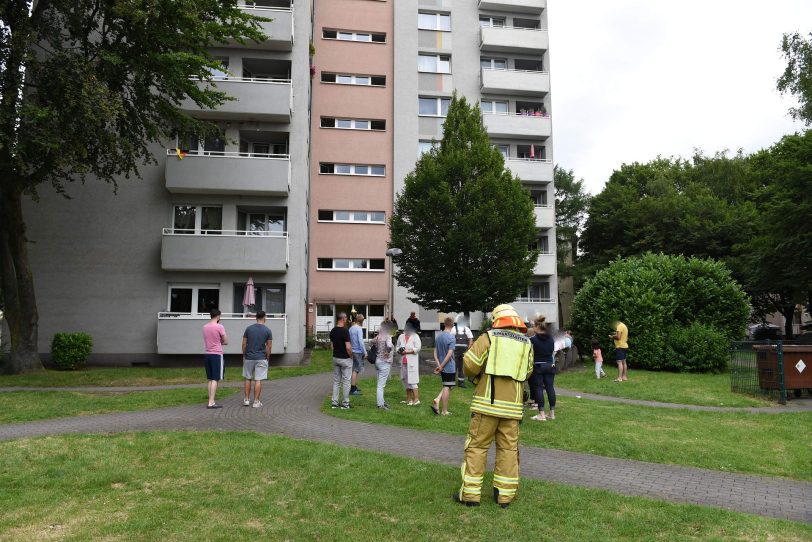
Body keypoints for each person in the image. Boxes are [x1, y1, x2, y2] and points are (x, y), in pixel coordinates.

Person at [455, 304, 532, 508]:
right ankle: (504, 497)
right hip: (513, 408)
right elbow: (529, 372)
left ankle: (470, 496)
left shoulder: (489, 337)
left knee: (477, 447)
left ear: (496, 319)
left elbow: (469, 364)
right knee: (508, 449)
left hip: (486, 406)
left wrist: (479, 375)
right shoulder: (526, 343)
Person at [241, 310, 273, 408]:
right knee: (258, 380)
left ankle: (246, 400)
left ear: (256, 318)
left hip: (249, 357)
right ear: (264, 317)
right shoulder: (268, 330)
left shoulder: (248, 329)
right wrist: (267, 357)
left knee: (248, 378)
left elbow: (243, 344)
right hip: (261, 358)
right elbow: (269, 347)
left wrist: (244, 354)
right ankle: (256, 402)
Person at [529, 316, 556, 421]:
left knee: (539, 388)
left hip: (538, 366)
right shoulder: (551, 338)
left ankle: (541, 414)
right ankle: (552, 413)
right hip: (550, 365)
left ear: (536, 327)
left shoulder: (532, 340)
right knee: (550, 388)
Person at [202, 309, 228, 409]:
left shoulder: (205, 327)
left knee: (210, 379)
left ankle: (210, 400)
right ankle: (211, 402)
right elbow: (226, 341)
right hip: (217, 355)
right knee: (215, 379)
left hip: (207, 354)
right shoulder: (219, 326)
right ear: (218, 316)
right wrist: (219, 342)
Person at [432, 316, 457, 416]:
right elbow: (449, 354)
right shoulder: (451, 337)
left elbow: (435, 353)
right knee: (447, 387)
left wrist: (439, 365)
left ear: (444, 324)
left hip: (442, 366)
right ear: (452, 325)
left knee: (448, 385)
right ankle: (444, 411)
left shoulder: (438, 337)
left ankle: (437, 400)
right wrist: (441, 366)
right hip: (449, 366)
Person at [330, 313, 353, 409]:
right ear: (343, 318)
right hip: (345, 359)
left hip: (335, 358)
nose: (347, 319)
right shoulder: (345, 331)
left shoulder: (332, 331)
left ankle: (334, 403)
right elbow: (348, 347)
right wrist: (351, 356)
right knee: (346, 381)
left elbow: (332, 347)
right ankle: (345, 403)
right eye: (346, 317)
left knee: (336, 381)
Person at [397, 323, 422, 405]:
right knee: (405, 380)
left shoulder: (415, 336)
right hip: (403, 361)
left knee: (413, 380)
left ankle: (416, 399)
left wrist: (407, 351)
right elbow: (397, 346)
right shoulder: (401, 336)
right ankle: (409, 399)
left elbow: (418, 348)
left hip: (412, 362)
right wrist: (399, 350)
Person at [373, 322, 394, 410]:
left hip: (377, 361)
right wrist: (387, 352)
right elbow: (389, 345)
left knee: (379, 383)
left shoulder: (379, 336)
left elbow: (371, 342)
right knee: (381, 385)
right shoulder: (387, 336)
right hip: (385, 362)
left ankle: (382, 401)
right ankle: (380, 405)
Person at [349, 314, 367, 396]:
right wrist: (365, 352)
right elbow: (361, 342)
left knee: (354, 369)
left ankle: (354, 386)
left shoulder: (351, 328)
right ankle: (353, 389)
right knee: (356, 370)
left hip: (352, 351)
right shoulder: (359, 329)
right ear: (362, 321)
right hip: (358, 352)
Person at [452, 318, 474, 388]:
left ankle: (461, 382)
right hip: (454, 351)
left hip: (464, 352)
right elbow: (450, 339)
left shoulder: (467, 329)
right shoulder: (453, 329)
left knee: (462, 366)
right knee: (454, 366)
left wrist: (469, 348)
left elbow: (471, 339)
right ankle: (452, 382)